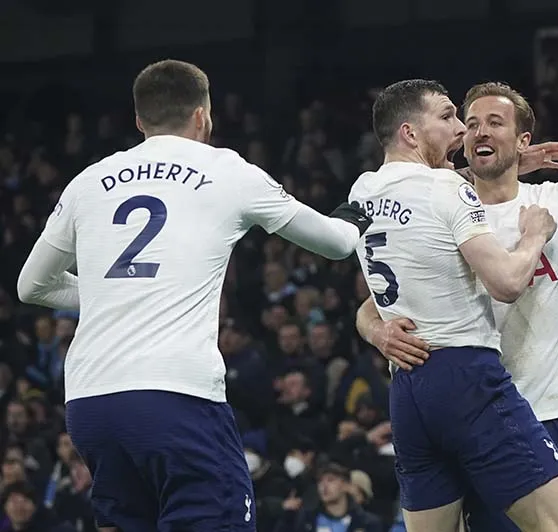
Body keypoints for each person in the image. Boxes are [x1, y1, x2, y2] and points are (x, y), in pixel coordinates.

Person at [16, 59, 372, 531]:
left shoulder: (88, 180)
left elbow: (30, 286)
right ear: (203, 115)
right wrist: (357, 212)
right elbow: (336, 243)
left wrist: (115, 296)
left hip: (90, 401)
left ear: (139, 120)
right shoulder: (227, 170)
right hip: (175, 397)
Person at [357, 65, 558, 532]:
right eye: (471, 122)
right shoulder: (439, 205)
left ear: (523, 141)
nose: (478, 131)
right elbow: (375, 305)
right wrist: (378, 332)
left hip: (548, 408)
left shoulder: (557, 200)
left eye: (495, 123)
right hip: (473, 414)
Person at [349, 78, 558, 532]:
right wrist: (535, 233)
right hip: (468, 378)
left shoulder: (362, 192)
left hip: (408, 390)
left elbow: (375, 294)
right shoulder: (447, 189)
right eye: (447, 116)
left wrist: (377, 332)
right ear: (411, 134)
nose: (461, 129)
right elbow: (508, 283)